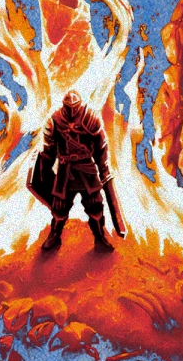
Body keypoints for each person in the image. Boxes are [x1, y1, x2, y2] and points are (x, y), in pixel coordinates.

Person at [29, 91, 124, 252]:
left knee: (95, 205)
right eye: (68, 107)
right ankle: (55, 235)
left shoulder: (91, 118)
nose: (72, 111)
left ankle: (99, 237)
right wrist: (44, 173)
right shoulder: (54, 121)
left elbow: (101, 146)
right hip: (65, 170)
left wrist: (103, 169)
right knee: (59, 207)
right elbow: (47, 150)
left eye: (75, 107)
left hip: (87, 169)